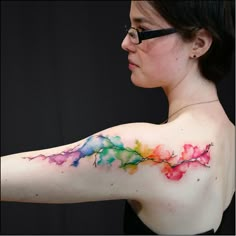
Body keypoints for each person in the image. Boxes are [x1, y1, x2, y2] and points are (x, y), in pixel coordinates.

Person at [1, 0, 235, 235]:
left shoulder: (146, 150)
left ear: (199, 43)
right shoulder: (229, 136)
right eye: (130, 30)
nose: (126, 43)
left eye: (141, 31)